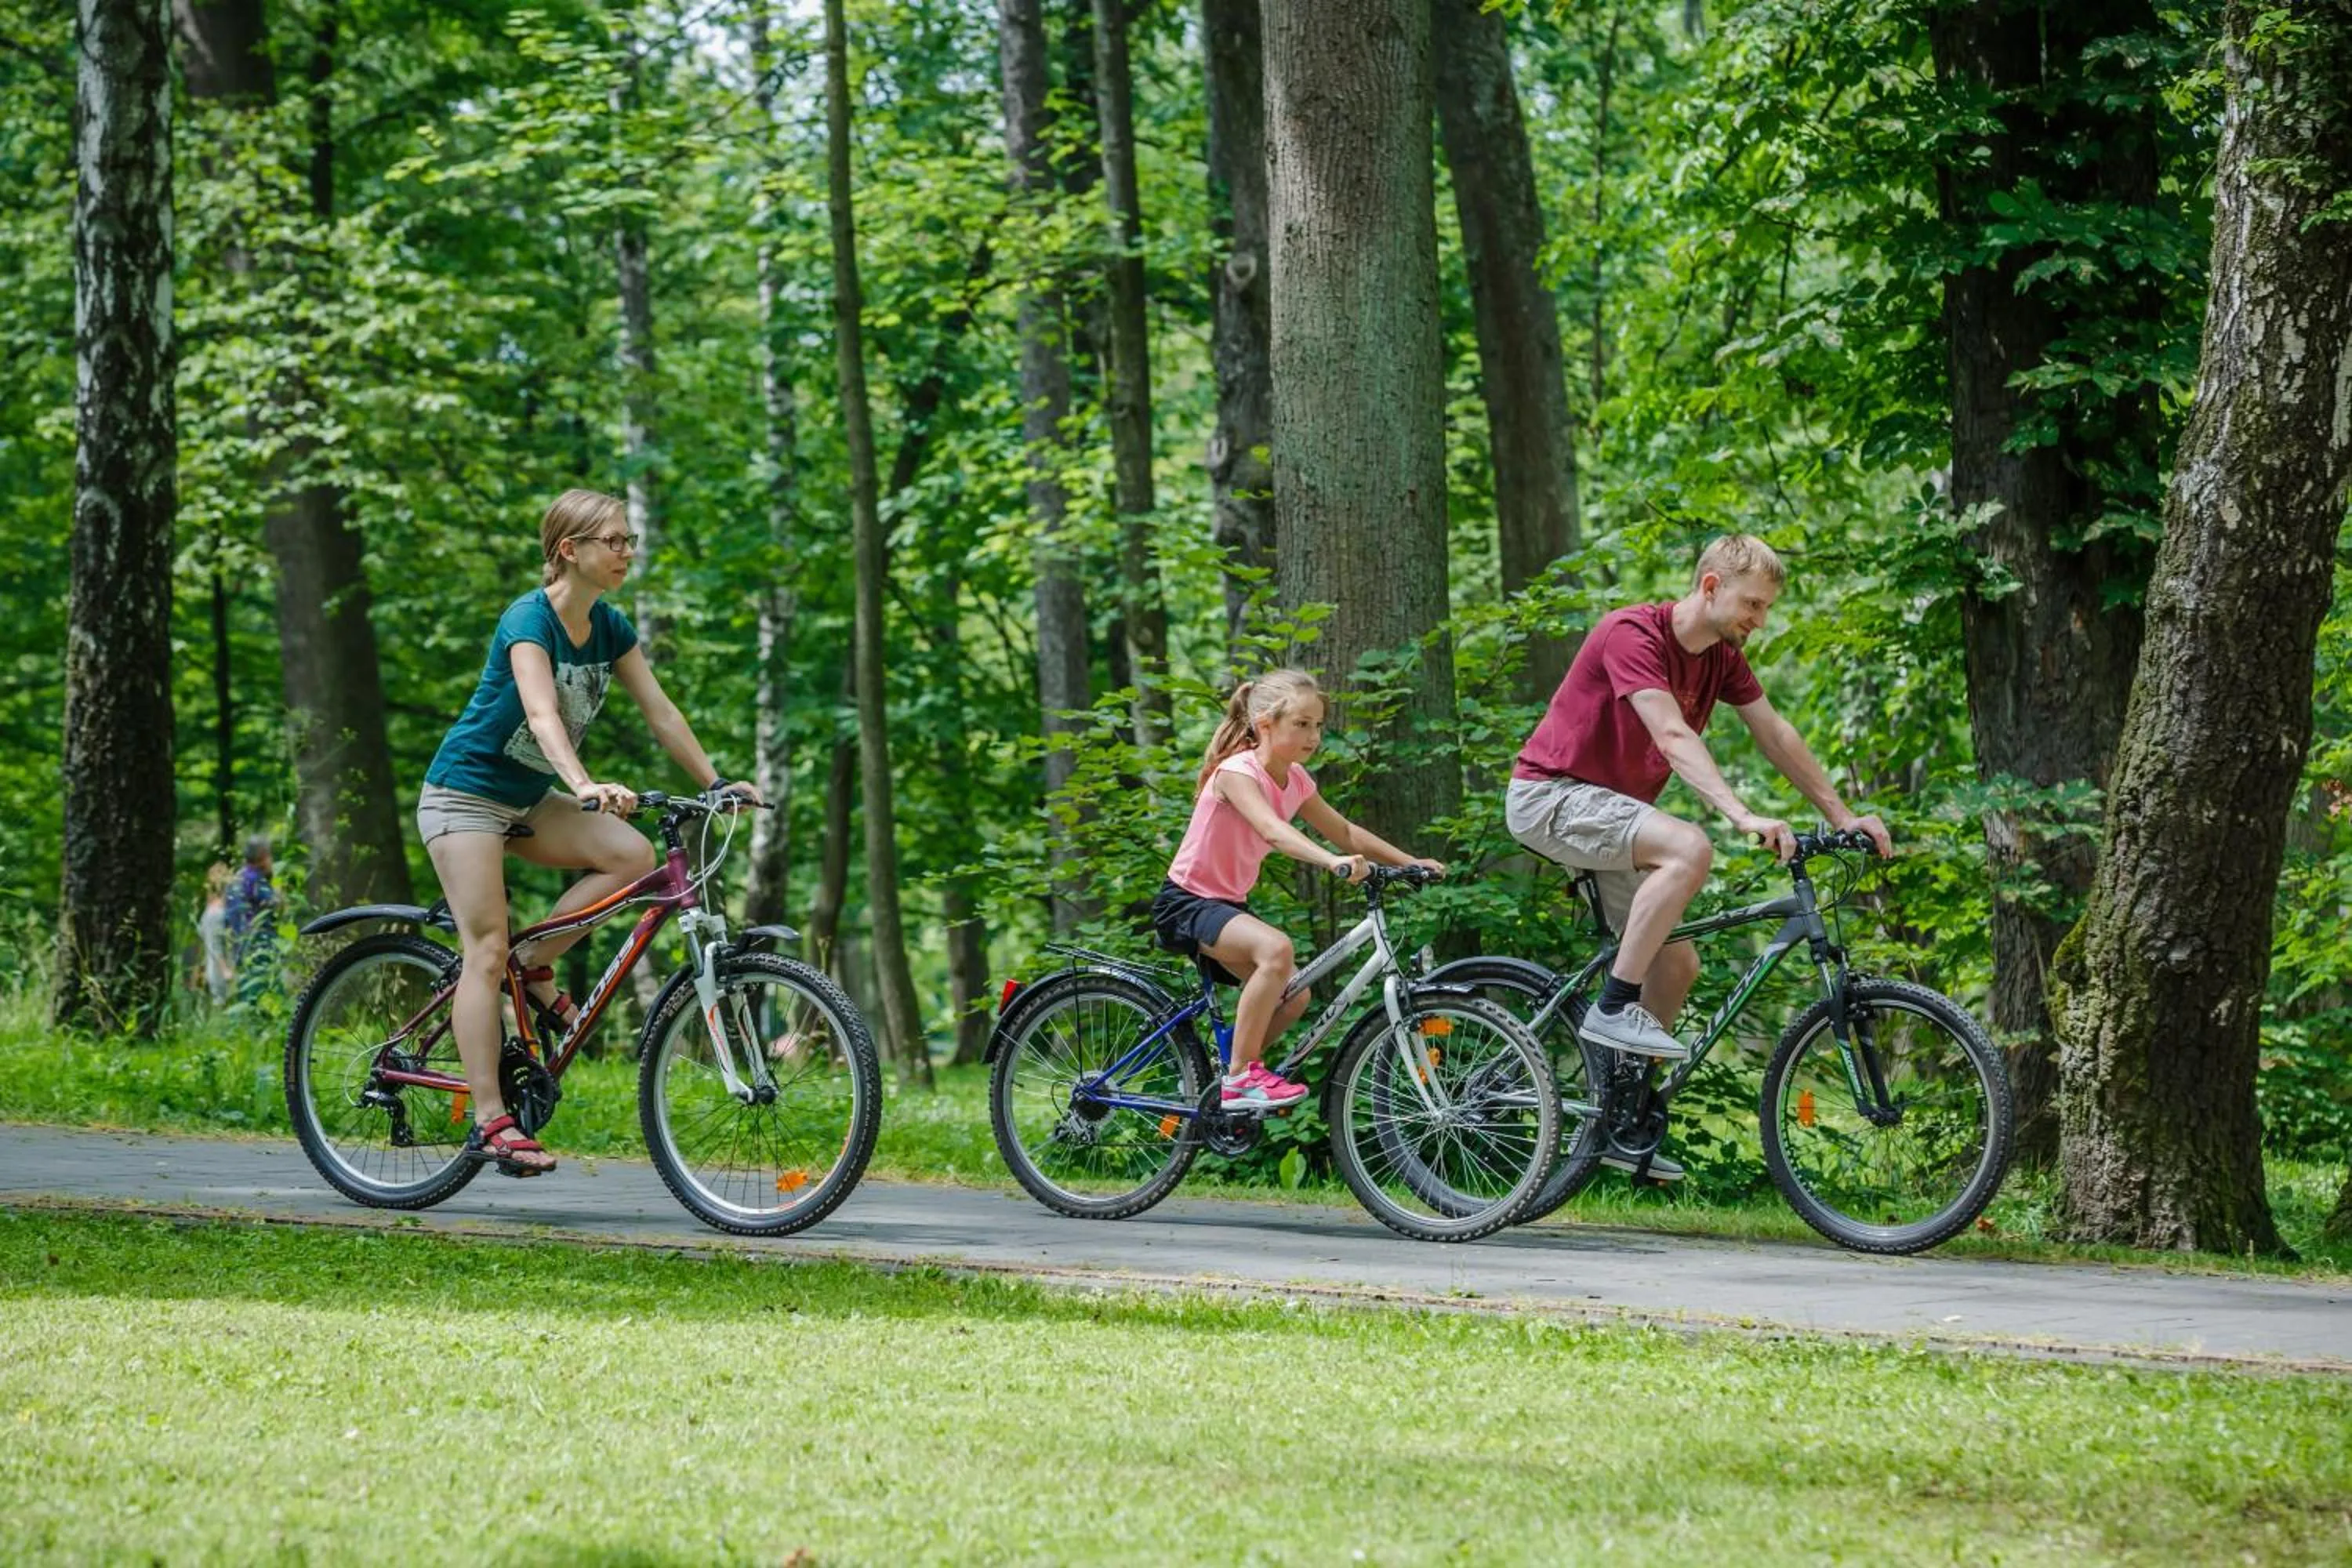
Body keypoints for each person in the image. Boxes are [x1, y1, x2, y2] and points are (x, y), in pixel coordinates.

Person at [1505, 533, 1889, 1181]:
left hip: (1616, 821)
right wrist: (1741, 814)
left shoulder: (1721, 658)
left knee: (1678, 964)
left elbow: (1775, 733)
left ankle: (1618, 1121)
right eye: (1752, 604)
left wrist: (1843, 816)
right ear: (1710, 587)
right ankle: (1613, 1006)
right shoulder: (1632, 633)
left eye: (1766, 609)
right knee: (1690, 846)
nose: (1759, 621)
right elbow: (1672, 734)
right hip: (1552, 797)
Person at [417, 488, 760, 1178]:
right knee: (484, 950)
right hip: (463, 798)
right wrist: (583, 784)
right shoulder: (529, 618)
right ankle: (489, 1119)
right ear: (569, 551)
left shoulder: (609, 626)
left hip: (523, 799)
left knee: (632, 856)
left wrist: (715, 781)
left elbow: (660, 712)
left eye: (630, 541)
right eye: (614, 541)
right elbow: (541, 714)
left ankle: (535, 964)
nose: (627, 553)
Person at [1151, 670, 1446, 1110]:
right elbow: (1271, 830)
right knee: (1276, 951)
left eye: (1318, 725)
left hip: (1228, 905)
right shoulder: (1237, 772)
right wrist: (1330, 861)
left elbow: (1345, 830)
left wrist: (1409, 862)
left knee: (1296, 994)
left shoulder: (1297, 779)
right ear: (1265, 724)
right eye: (1302, 724)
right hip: (1187, 902)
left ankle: (1224, 1070)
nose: (1313, 735)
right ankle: (1241, 1077)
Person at [222, 837, 281, 1005]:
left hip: (240, 949)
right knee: (264, 997)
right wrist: (278, 891)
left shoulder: (236, 879)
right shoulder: (257, 880)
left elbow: (227, 919)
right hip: (260, 948)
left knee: (245, 997)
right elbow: (275, 905)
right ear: (263, 857)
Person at [195, 862, 234, 1005]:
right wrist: (226, 971)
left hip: (215, 968)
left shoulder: (210, 909)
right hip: (221, 972)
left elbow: (204, 938)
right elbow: (215, 946)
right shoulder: (217, 913)